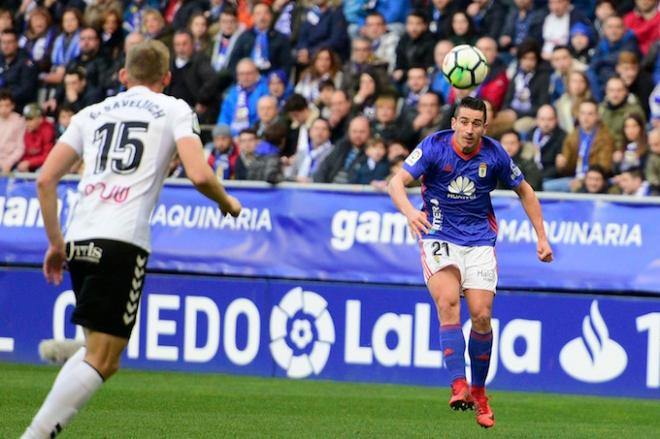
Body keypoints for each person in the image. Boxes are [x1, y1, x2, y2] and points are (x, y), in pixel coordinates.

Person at [22, 39, 241, 439]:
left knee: (99, 353)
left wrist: (55, 244)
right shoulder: (175, 108)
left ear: (124, 75)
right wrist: (228, 203)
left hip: (80, 237)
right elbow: (199, 174)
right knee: (104, 359)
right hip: (122, 240)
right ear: (167, 78)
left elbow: (44, 179)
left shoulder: (90, 113)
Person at [387, 96, 553, 429]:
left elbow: (526, 191)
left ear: (484, 127)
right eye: (464, 121)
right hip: (438, 234)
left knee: (481, 315)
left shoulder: (493, 154)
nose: (469, 129)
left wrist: (542, 237)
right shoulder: (434, 147)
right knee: (448, 301)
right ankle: (458, 384)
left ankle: (478, 391)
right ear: (454, 123)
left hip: (479, 240)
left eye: (476, 123)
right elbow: (396, 183)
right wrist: (409, 211)